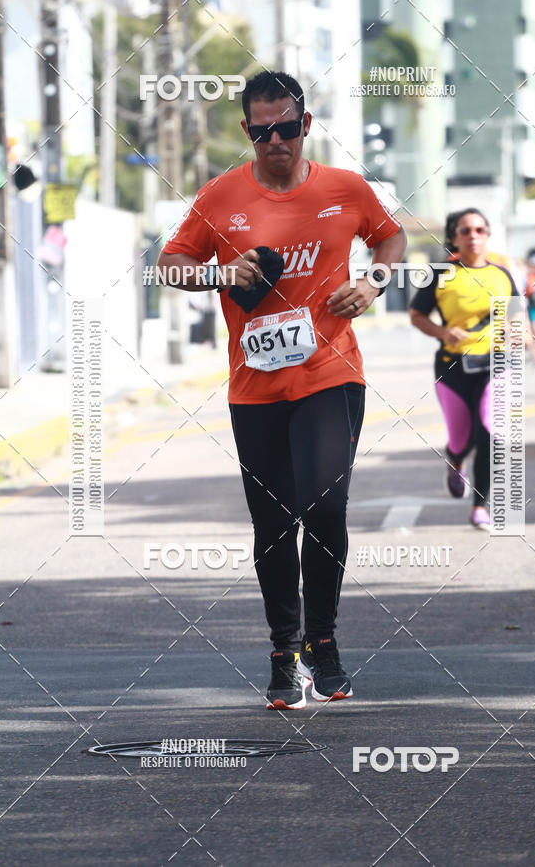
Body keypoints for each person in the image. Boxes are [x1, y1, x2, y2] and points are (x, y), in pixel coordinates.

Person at [157, 70, 406, 708]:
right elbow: (170, 264)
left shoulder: (346, 189)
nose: (277, 141)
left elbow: (391, 237)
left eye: (287, 128)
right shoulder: (220, 197)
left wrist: (374, 281)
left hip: (330, 375)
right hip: (255, 388)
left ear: (306, 127)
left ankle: (323, 642)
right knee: (273, 523)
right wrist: (221, 270)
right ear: (246, 131)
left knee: (323, 509)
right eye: (263, 130)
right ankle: (283, 649)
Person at [409, 208, 517, 530]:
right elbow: (416, 315)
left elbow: (514, 315)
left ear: (487, 235)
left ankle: (480, 506)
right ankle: (455, 461)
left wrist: (517, 333)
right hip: (452, 367)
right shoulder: (441, 273)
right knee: (462, 437)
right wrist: (443, 332)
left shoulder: (502, 274)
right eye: (466, 231)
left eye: (480, 230)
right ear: (454, 237)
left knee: (491, 431)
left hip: (496, 364)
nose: (474, 236)